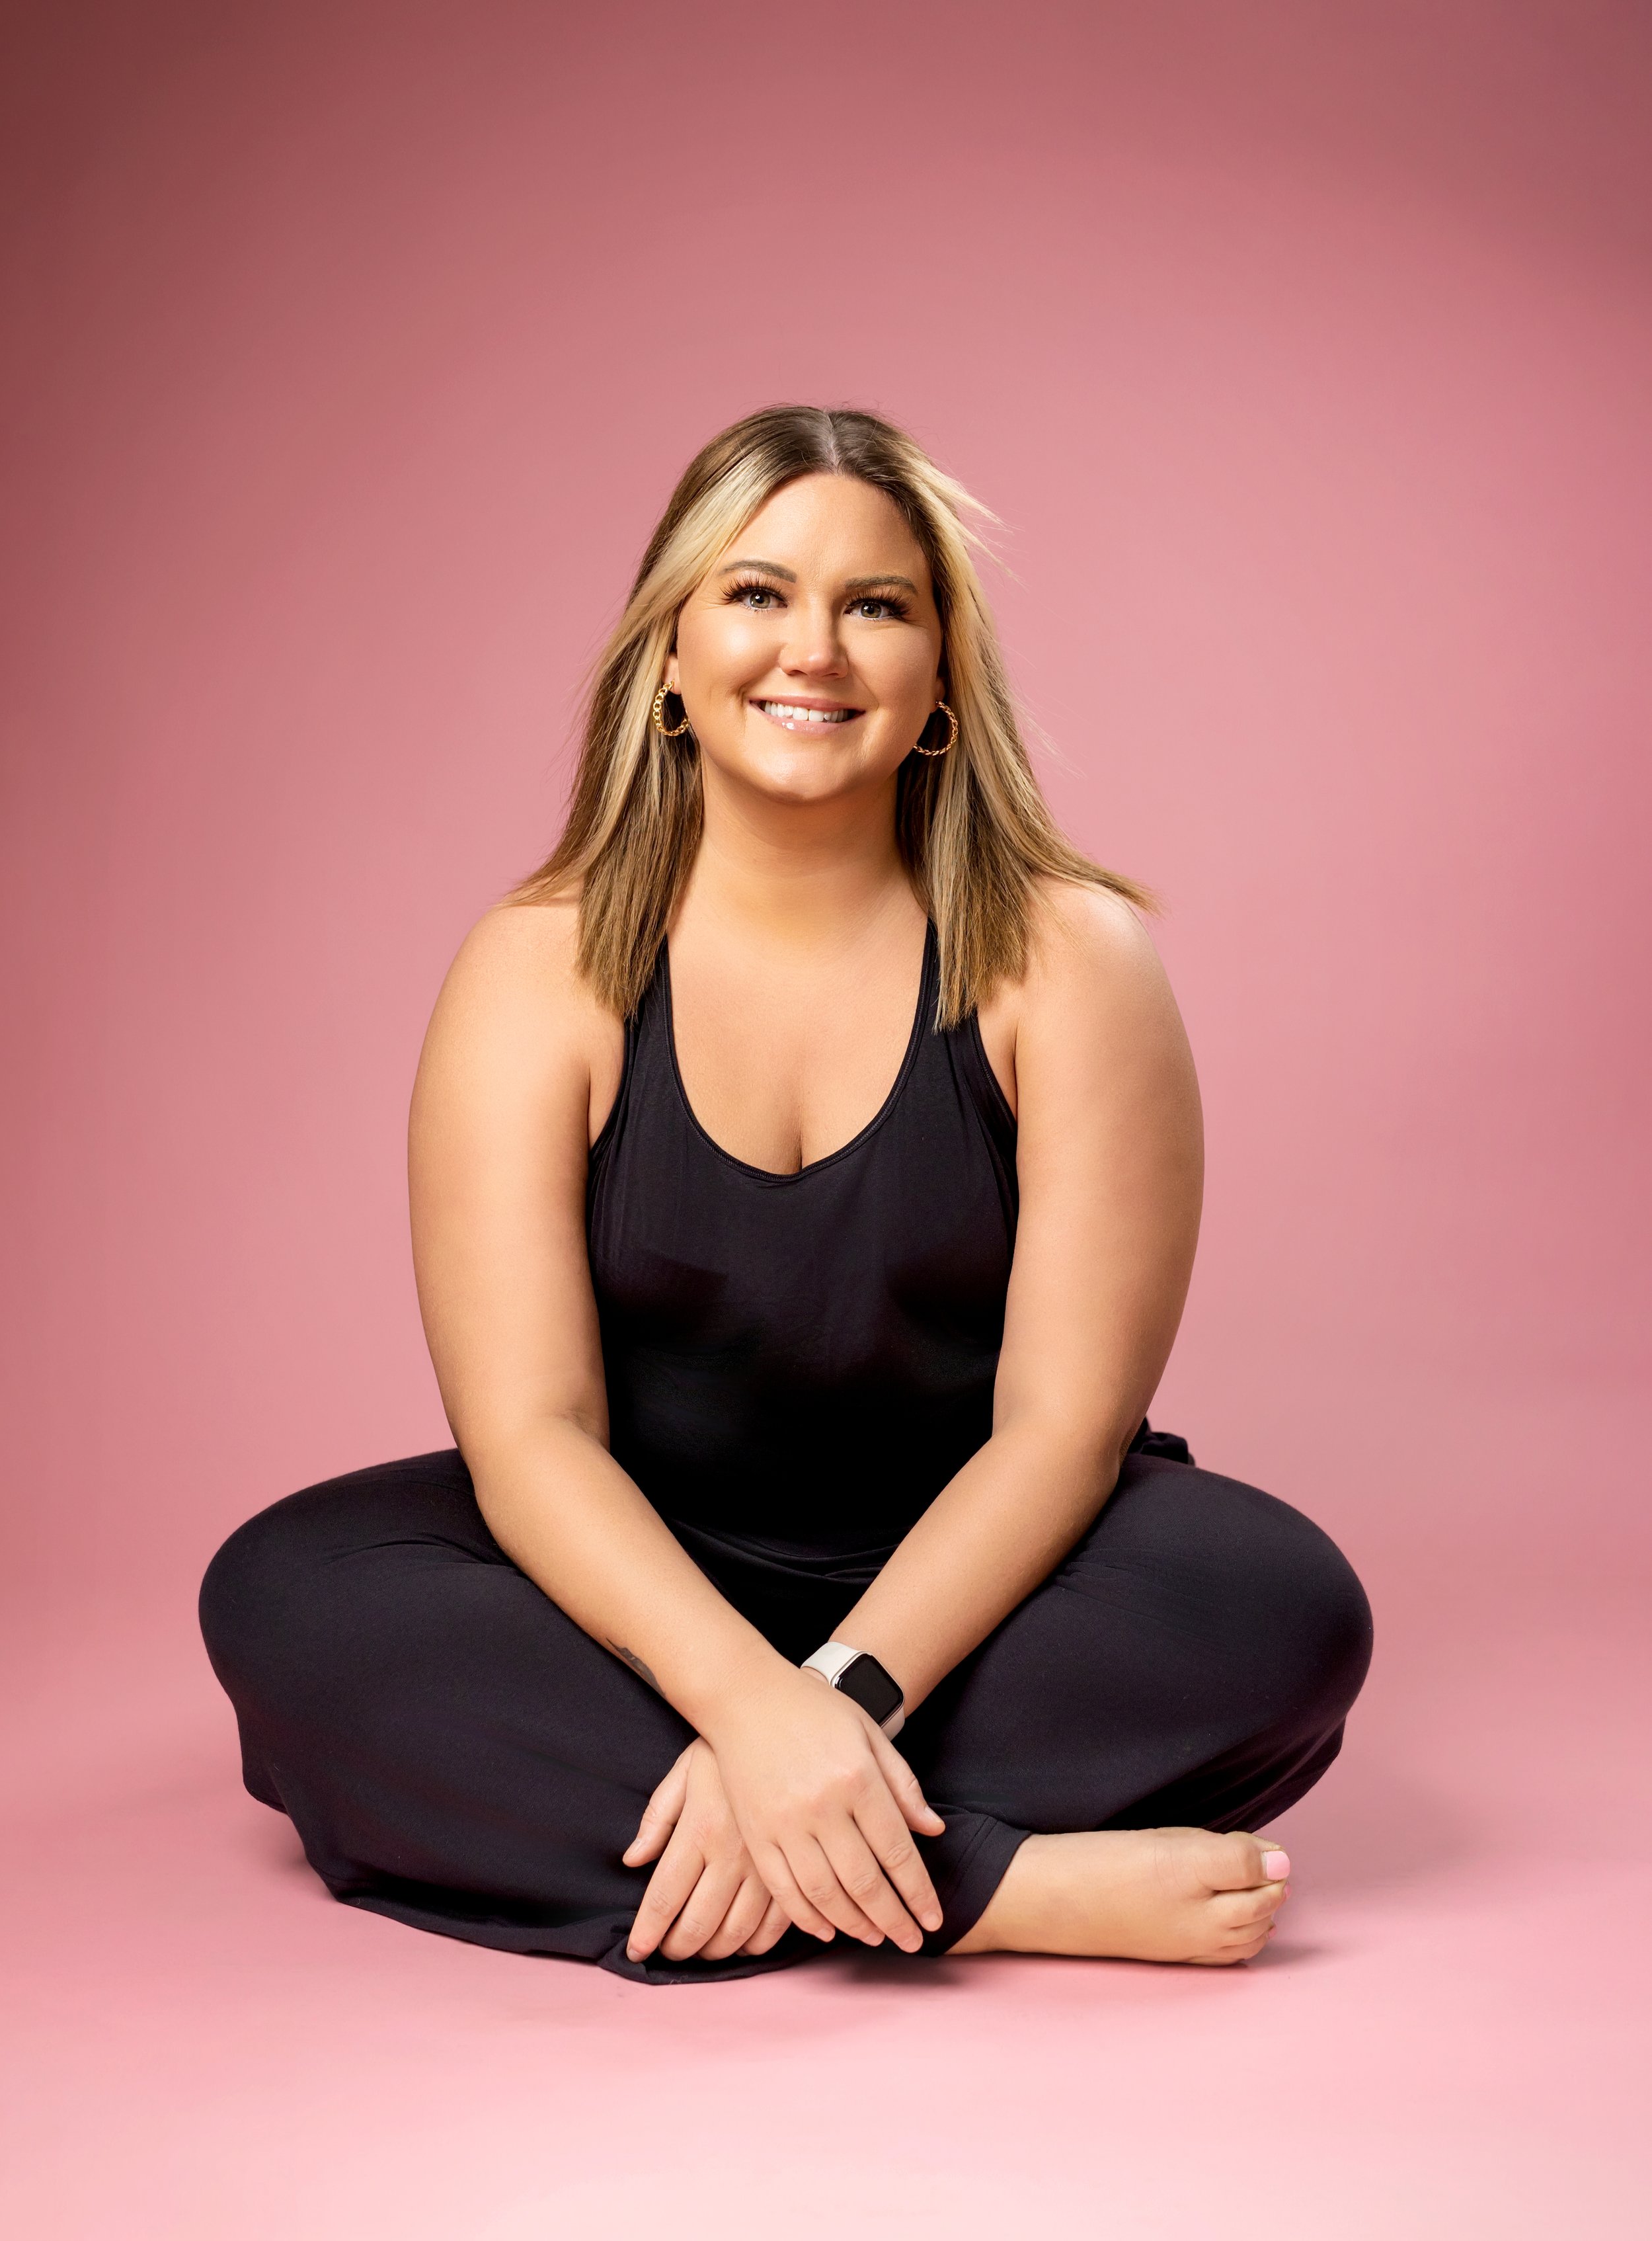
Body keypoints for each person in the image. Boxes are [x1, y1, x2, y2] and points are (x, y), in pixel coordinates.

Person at [200, 405, 1372, 1984]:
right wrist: (747, 1708)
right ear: (668, 659)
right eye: (756, 594)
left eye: (874, 605)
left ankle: (737, 1831)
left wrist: (837, 1697)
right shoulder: (535, 968)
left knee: (1283, 1608)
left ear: (940, 676)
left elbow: (1060, 1432)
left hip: (976, 1584)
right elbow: (531, 1435)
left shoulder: (1069, 957)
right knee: (286, 1597)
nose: (811, 650)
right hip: (636, 1583)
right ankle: (975, 1886)